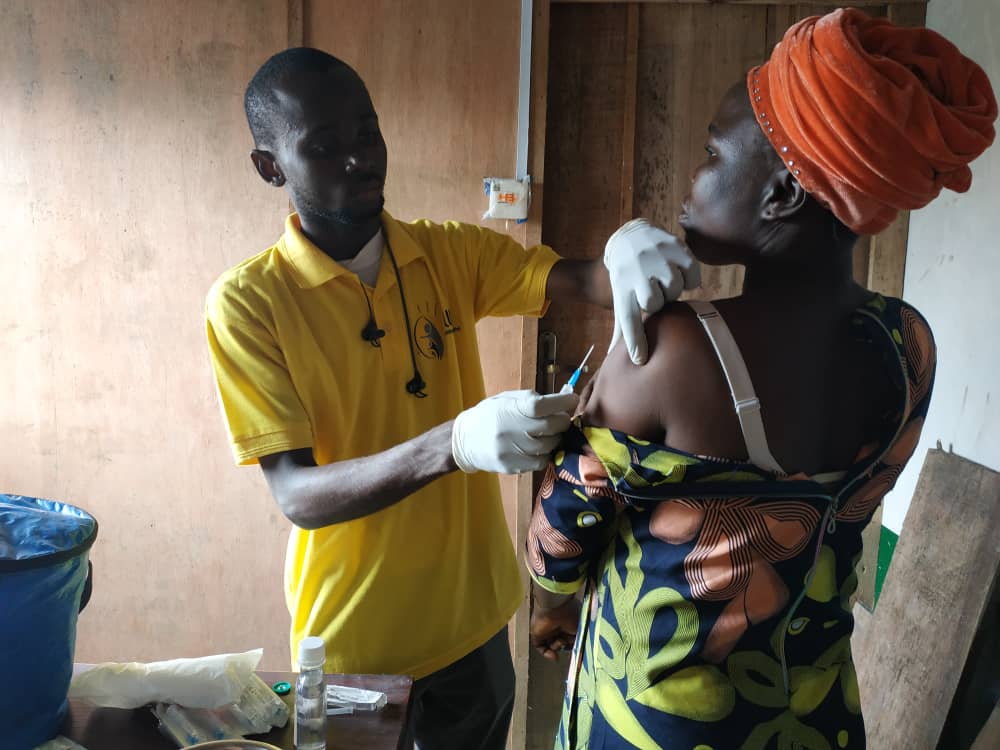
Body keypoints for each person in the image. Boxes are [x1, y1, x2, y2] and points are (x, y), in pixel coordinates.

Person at [527, 8, 996, 749]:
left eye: (713, 154)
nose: (692, 176)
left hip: (660, 721)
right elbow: (850, 509)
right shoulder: (907, 344)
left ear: (780, 195)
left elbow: (559, 537)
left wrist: (550, 607)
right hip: (811, 713)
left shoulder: (671, 349)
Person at [204, 48, 699, 750]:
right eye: (322, 144)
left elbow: (582, 279)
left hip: (475, 625)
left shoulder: (444, 255)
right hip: (356, 642)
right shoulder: (249, 304)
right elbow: (297, 495)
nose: (357, 158)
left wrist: (622, 254)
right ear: (270, 167)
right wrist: (454, 444)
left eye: (367, 132)